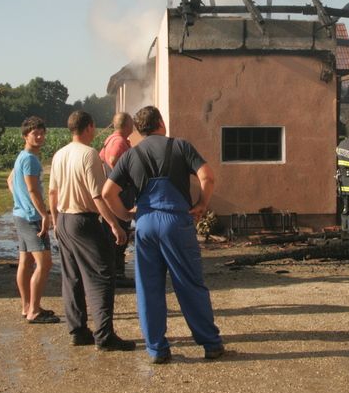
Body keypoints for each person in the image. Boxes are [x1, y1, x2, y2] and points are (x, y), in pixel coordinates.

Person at [103, 105, 224, 365]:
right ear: (160, 122)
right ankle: (210, 344)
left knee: (148, 288)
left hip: (145, 224)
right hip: (176, 223)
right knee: (189, 284)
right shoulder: (181, 146)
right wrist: (202, 205)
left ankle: (157, 349)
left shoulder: (131, 155)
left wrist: (125, 216)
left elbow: (106, 193)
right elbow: (208, 176)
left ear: (139, 129)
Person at [48, 110, 136, 352]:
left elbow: (52, 193)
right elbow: (98, 195)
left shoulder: (59, 154)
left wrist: (56, 222)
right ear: (88, 127)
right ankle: (104, 335)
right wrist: (114, 224)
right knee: (102, 275)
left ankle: (78, 330)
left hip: (64, 219)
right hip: (83, 220)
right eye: (94, 126)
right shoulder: (88, 155)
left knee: (72, 277)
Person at [6, 116, 59, 324]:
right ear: (25, 136)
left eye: (41, 133)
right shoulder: (30, 160)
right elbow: (32, 189)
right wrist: (44, 214)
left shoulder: (22, 157)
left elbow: (11, 180)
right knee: (45, 263)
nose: (39, 136)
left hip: (21, 214)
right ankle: (34, 311)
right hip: (31, 218)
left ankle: (27, 306)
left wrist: (19, 200)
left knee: (25, 261)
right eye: (34, 133)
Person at [99, 112, 136, 288]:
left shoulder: (110, 139)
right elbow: (113, 159)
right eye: (132, 123)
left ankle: (113, 270)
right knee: (121, 231)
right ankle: (117, 273)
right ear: (127, 125)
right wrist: (121, 179)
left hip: (114, 192)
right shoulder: (119, 141)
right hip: (120, 194)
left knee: (115, 231)